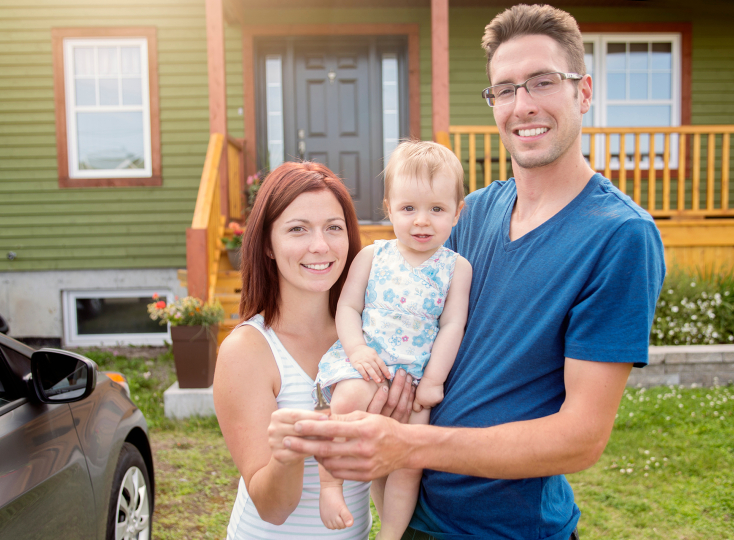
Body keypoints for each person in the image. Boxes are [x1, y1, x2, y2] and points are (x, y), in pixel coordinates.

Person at [283, 5, 666, 540]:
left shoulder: (619, 236)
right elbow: (390, 305)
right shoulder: (472, 213)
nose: (522, 104)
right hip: (413, 513)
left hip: (506, 528)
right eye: (504, 89)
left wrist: (407, 444)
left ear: (583, 92)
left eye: (543, 82)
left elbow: (582, 438)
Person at [213, 161, 416, 540]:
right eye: (297, 229)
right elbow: (273, 509)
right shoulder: (247, 351)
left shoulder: (375, 336)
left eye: (333, 228)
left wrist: (391, 438)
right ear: (268, 246)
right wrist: (291, 450)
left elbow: (381, 479)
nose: (320, 246)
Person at [313, 141, 472, 539]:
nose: (422, 221)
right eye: (408, 209)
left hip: (415, 378)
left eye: (436, 209)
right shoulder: (372, 255)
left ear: (458, 211)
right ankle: (331, 487)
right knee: (347, 403)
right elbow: (348, 308)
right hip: (369, 364)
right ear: (389, 208)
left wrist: (434, 379)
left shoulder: (456, 268)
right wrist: (357, 349)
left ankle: (392, 534)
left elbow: (453, 325)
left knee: (408, 458)